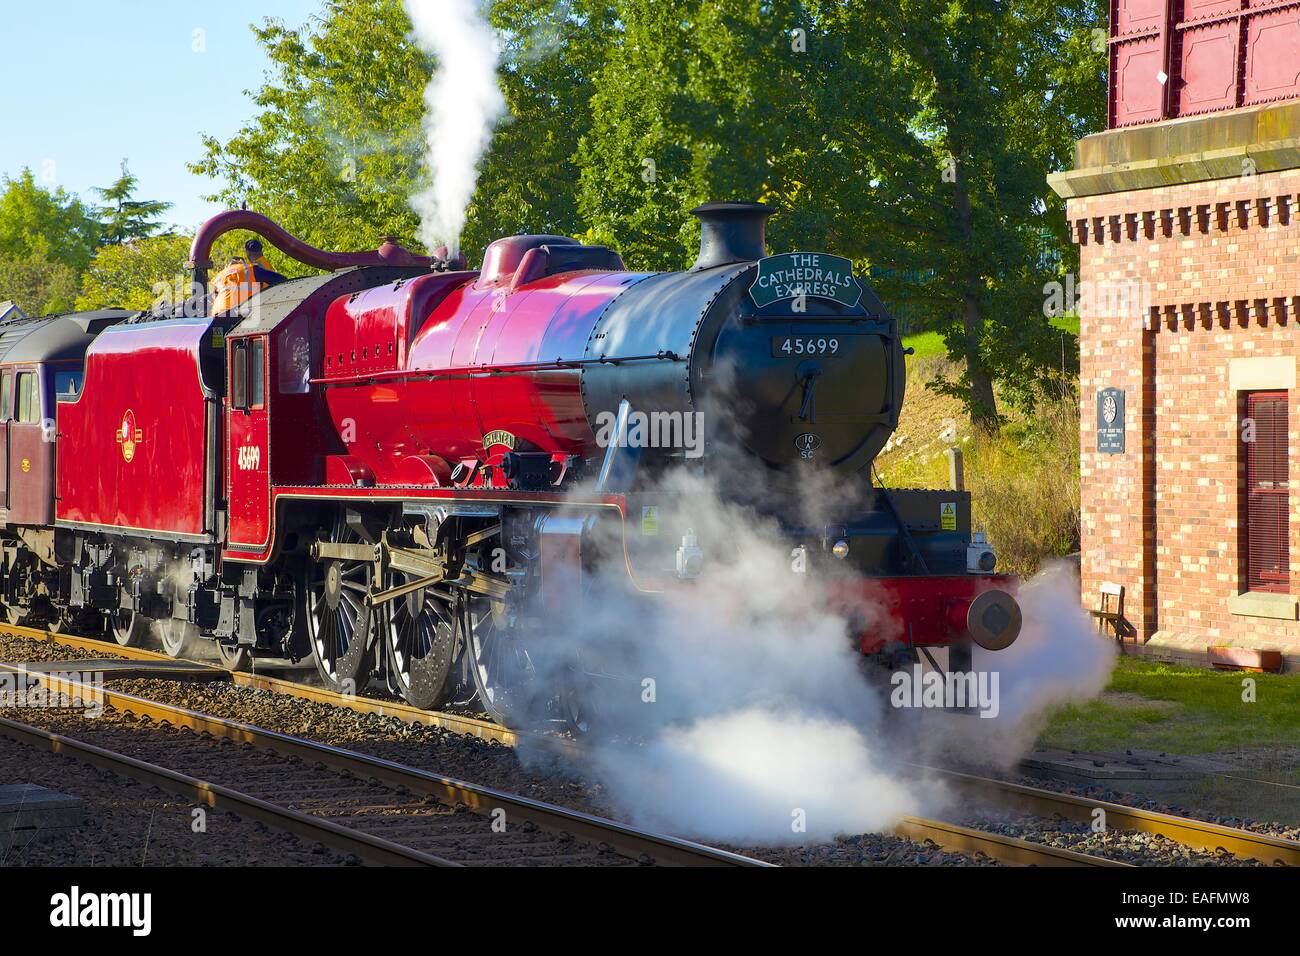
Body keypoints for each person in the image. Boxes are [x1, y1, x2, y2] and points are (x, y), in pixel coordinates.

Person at [209, 238, 288, 313]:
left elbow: (208, 296)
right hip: (245, 307)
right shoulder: (255, 267)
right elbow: (281, 279)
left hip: (218, 311)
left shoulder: (219, 276)